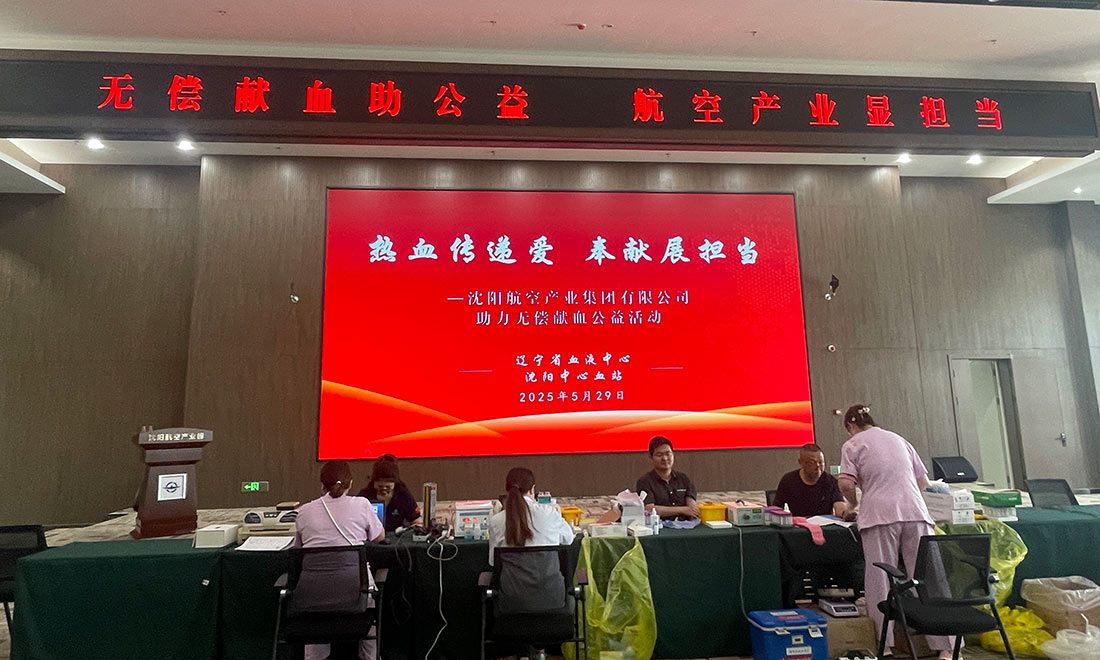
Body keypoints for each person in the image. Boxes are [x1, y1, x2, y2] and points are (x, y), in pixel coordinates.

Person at [837, 404, 957, 660]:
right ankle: (948, 648)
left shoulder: (853, 444)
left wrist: (853, 504)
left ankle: (885, 645)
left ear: (850, 426)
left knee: (880, 579)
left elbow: (846, 483)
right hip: (916, 513)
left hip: (879, 516)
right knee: (930, 578)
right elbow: (924, 483)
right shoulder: (900, 439)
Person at [295, 460, 385, 660]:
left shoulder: (304, 511)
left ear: (322, 485)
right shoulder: (362, 504)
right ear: (350, 483)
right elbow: (379, 536)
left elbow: (298, 548)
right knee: (371, 598)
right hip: (356, 592)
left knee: (315, 619)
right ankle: (370, 657)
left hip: (313, 596)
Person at [487, 467, 575, 564]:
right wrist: (558, 516)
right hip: (547, 574)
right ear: (532, 489)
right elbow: (568, 539)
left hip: (511, 574)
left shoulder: (496, 521)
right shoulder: (549, 513)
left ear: (507, 490)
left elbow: (493, 561)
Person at [773, 443, 846, 518]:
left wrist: (845, 513)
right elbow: (777, 509)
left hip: (824, 523)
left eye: (821, 462)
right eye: (812, 462)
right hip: (799, 523)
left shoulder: (831, 481)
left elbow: (839, 506)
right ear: (801, 462)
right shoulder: (788, 481)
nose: (818, 466)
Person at [635, 436, 699, 520]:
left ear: (673, 454)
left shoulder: (684, 479)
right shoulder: (644, 481)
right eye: (659, 455)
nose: (665, 458)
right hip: (658, 525)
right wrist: (683, 510)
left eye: (668, 454)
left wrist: (689, 511)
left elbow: (692, 508)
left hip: (685, 525)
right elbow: (649, 509)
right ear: (651, 457)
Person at [356, 453, 421, 533]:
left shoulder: (403, 495)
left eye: (388, 487)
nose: (384, 489)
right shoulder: (365, 495)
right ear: (374, 482)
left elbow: (417, 521)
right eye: (380, 486)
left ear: (395, 483)